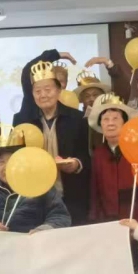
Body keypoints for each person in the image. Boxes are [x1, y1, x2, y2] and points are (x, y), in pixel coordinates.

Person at [13, 60, 91, 225]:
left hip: (70, 193)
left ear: (58, 90)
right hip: (34, 195)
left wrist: (76, 164)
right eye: (37, 91)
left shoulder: (77, 118)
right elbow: (16, 157)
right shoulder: (22, 121)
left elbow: (86, 154)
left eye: (48, 90)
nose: (43, 95)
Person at [0, 125, 71, 233]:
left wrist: (43, 231)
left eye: (12, 161)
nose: (6, 167)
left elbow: (60, 216)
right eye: (1, 162)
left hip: (30, 244)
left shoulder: (40, 183)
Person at [87, 93, 138, 274]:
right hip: (109, 219)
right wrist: (96, 218)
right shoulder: (98, 153)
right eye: (105, 119)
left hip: (137, 217)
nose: (110, 123)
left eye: (115, 118)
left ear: (125, 123)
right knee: (116, 271)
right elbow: (95, 188)